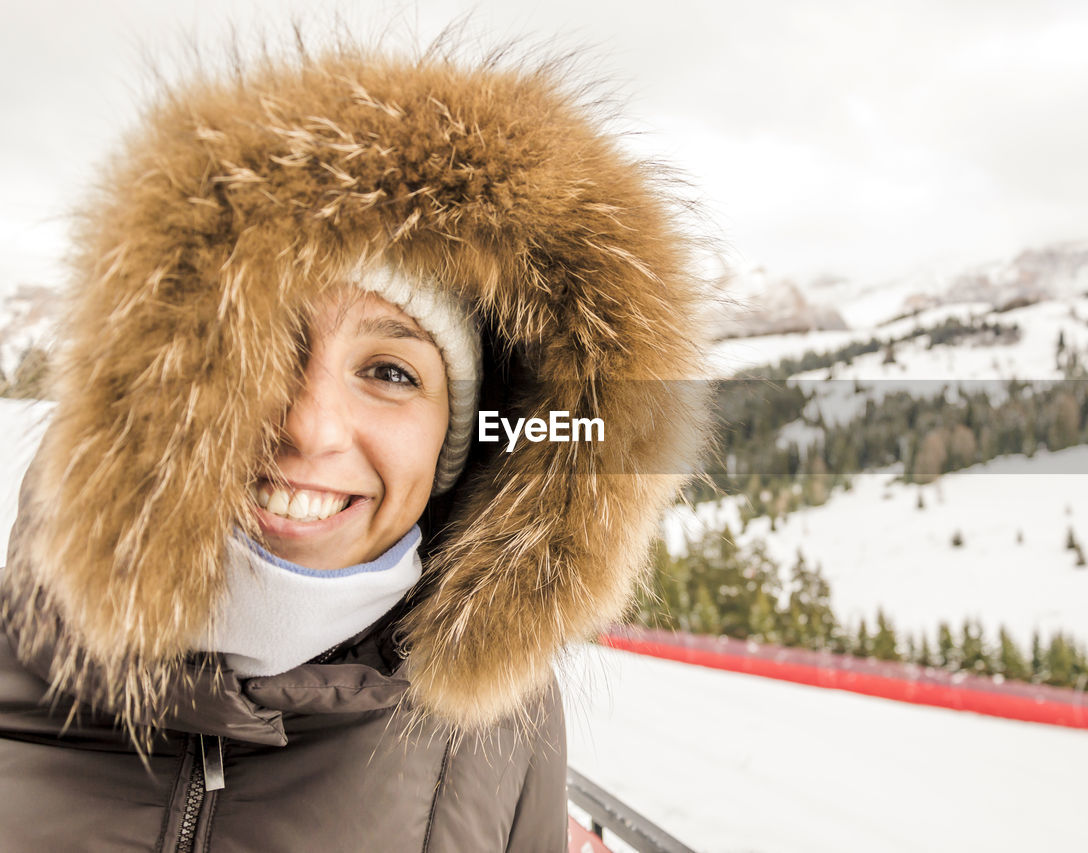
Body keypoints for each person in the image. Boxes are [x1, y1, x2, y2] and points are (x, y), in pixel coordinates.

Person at [0, 36, 707, 852]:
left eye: (391, 371)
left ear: (459, 445)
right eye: (269, 348)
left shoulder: (503, 731)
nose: (309, 425)